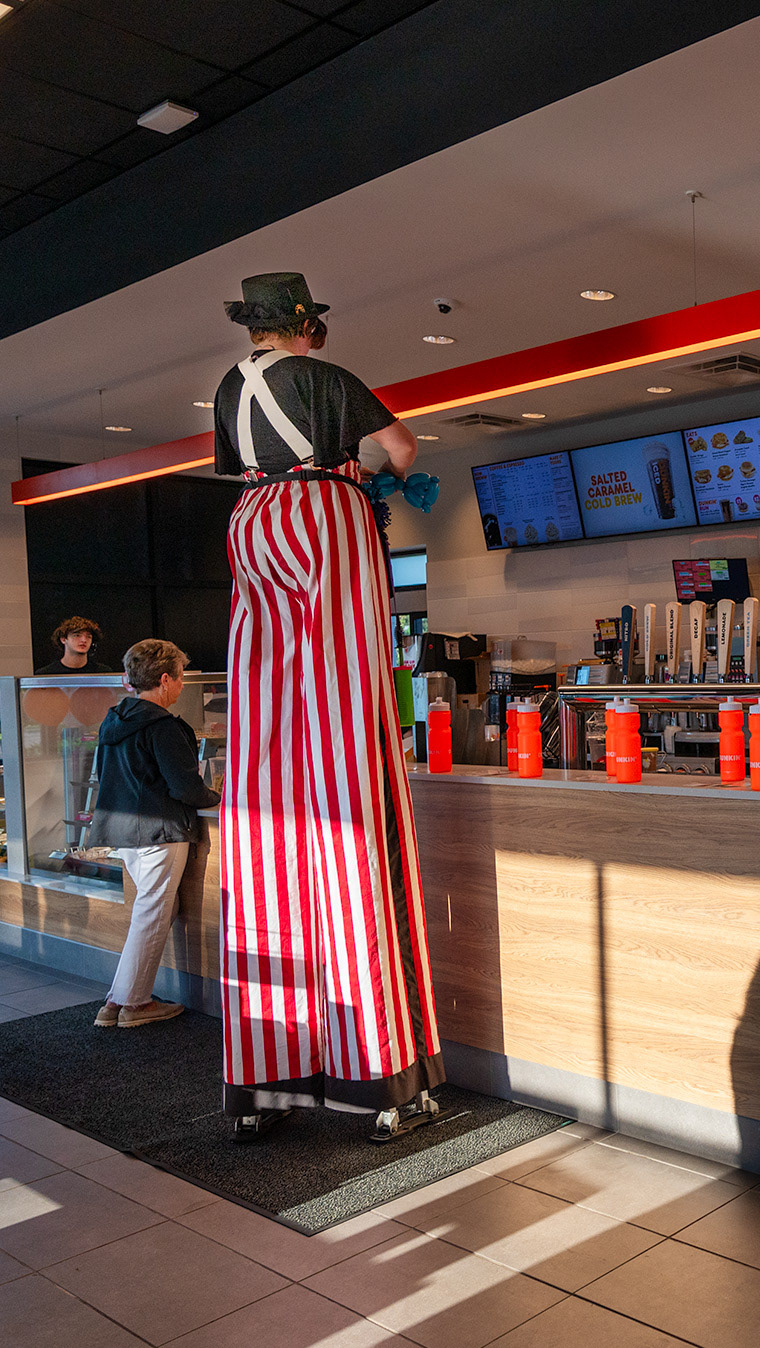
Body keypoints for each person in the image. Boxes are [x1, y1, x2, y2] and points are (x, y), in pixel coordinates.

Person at [213, 271, 443, 1143]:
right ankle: (376, 1069)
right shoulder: (327, 377)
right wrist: (365, 469)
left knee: (271, 730)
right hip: (321, 511)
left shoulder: (232, 387)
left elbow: (235, 465)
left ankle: (268, 1072)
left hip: (252, 520)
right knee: (349, 732)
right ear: (305, 323)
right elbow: (404, 451)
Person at [91, 640, 221, 1029]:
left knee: (151, 913)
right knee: (153, 914)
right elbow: (186, 787)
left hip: (124, 830)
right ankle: (133, 1003)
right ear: (165, 680)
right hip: (160, 830)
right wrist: (219, 795)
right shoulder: (164, 726)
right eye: (181, 679)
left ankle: (117, 1002)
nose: (182, 686)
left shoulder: (115, 718)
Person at [37, 616, 115, 674]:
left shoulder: (102, 672)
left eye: (88, 636)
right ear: (63, 639)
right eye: (77, 635)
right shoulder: (46, 674)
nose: (84, 640)